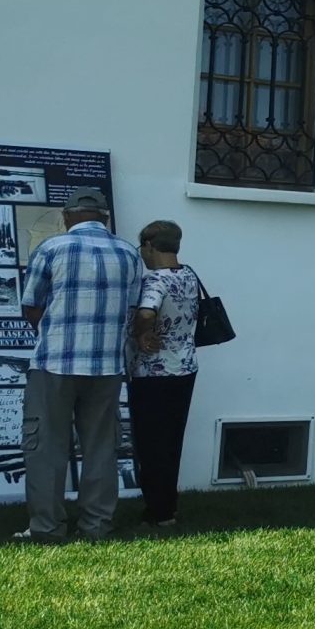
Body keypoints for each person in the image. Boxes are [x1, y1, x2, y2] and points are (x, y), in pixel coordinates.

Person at [15, 187, 142, 543]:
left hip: (54, 363)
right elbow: (132, 310)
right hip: (106, 366)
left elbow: (31, 305)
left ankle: (47, 528)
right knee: (101, 448)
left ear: (66, 216)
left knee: (45, 448)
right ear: (105, 217)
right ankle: (96, 526)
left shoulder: (51, 248)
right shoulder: (129, 254)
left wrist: (54, 332)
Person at [128, 219, 204, 533]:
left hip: (153, 371)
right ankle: (168, 506)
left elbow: (147, 312)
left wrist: (140, 333)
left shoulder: (155, 280)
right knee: (172, 440)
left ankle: (157, 512)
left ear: (149, 245)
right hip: (185, 366)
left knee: (151, 443)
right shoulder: (188, 274)